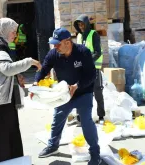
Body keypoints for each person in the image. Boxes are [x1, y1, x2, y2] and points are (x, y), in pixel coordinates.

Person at [0, 18, 42, 165]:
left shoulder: (0, 45)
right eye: (13, 32)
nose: (15, 35)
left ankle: (12, 161)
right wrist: (30, 61)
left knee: (6, 134)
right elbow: (7, 69)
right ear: (4, 30)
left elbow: (4, 70)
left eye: (16, 32)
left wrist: (18, 76)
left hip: (3, 98)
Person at [34, 27, 101, 165]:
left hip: (83, 92)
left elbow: (91, 75)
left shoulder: (83, 52)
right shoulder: (54, 54)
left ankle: (95, 153)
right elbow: (44, 68)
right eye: (54, 43)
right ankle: (53, 146)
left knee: (86, 121)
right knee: (58, 117)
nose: (55, 46)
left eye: (57, 43)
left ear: (67, 42)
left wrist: (77, 85)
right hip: (64, 94)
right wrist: (36, 83)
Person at [74, 14, 105, 123]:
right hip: (82, 70)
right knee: (80, 92)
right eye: (79, 25)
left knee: (97, 92)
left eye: (82, 24)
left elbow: (98, 52)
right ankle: (80, 117)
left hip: (94, 68)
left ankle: (101, 116)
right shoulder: (79, 36)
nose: (81, 26)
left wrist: (87, 61)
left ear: (87, 24)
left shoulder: (94, 34)